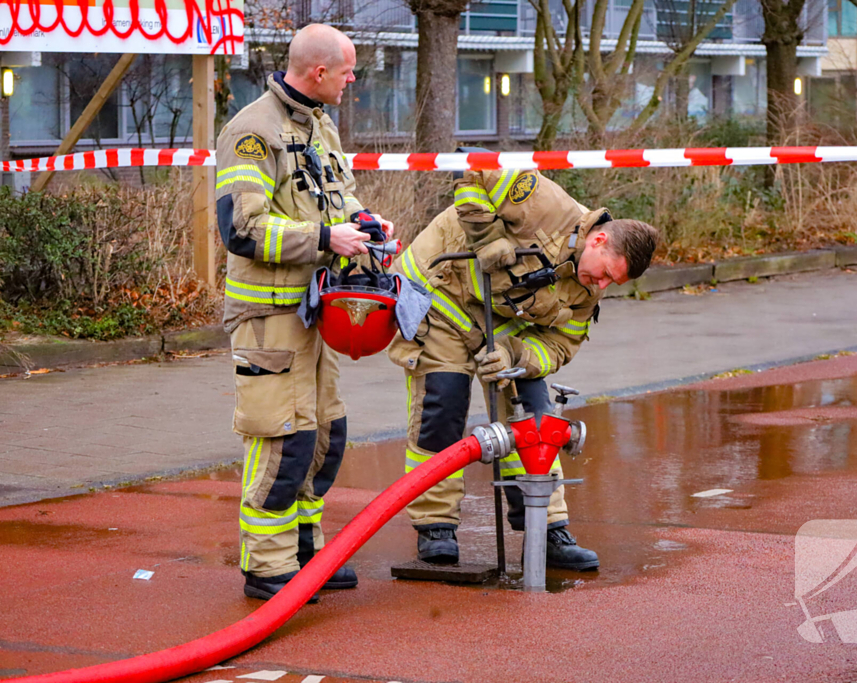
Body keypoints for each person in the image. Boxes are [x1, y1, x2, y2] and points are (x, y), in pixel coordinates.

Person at [387, 166, 659, 570]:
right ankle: (435, 527)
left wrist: (516, 355)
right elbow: (474, 178)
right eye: (604, 273)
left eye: (610, 283)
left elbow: (561, 344)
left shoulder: (586, 285)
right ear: (598, 240)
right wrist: (487, 237)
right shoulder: (544, 202)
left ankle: (547, 528)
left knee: (534, 414)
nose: (600, 286)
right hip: (438, 296)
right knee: (442, 404)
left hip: (497, 319)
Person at [215, 24, 394, 602]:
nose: (353, 81)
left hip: (316, 311)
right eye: (348, 72)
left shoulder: (319, 125)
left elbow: (336, 200)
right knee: (282, 439)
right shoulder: (250, 132)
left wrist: (366, 226)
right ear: (319, 72)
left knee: (325, 435)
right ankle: (267, 568)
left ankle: (303, 554)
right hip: (269, 318)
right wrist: (324, 237)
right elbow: (241, 229)